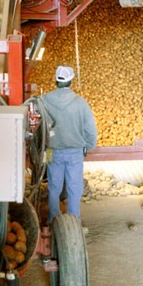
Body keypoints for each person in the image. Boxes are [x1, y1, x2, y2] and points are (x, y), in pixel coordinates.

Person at [38, 65, 98, 224]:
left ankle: (53, 221)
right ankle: (73, 222)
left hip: (52, 151)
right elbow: (90, 129)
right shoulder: (80, 103)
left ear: (55, 81)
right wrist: (90, 145)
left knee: (54, 187)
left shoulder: (43, 101)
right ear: (71, 81)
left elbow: (35, 124)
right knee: (74, 188)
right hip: (75, 152)